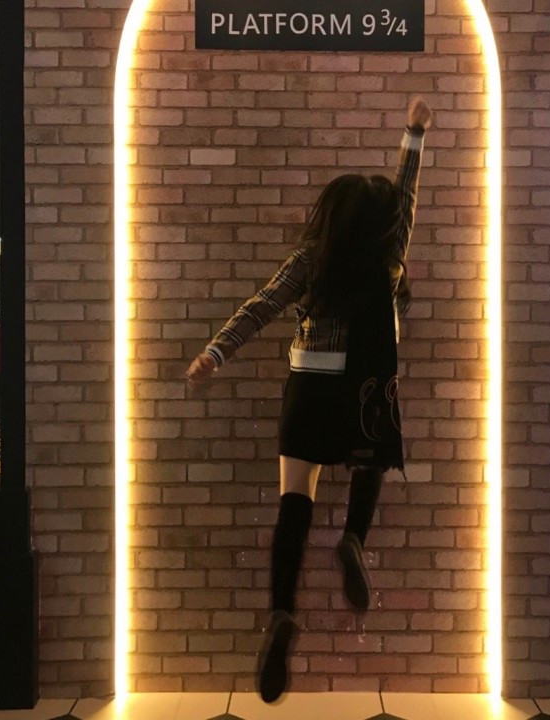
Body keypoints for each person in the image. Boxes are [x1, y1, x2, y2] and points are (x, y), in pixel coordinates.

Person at [186, 96, 431, 703]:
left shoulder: (309, 258)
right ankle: (353, 538)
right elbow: (405, 200)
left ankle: (281, 612)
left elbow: (262, 305)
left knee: (294, 503)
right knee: (370, 463)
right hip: (365, 385)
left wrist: (215, 353)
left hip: (310, 387)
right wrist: (413, 134)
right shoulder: (388, 259)